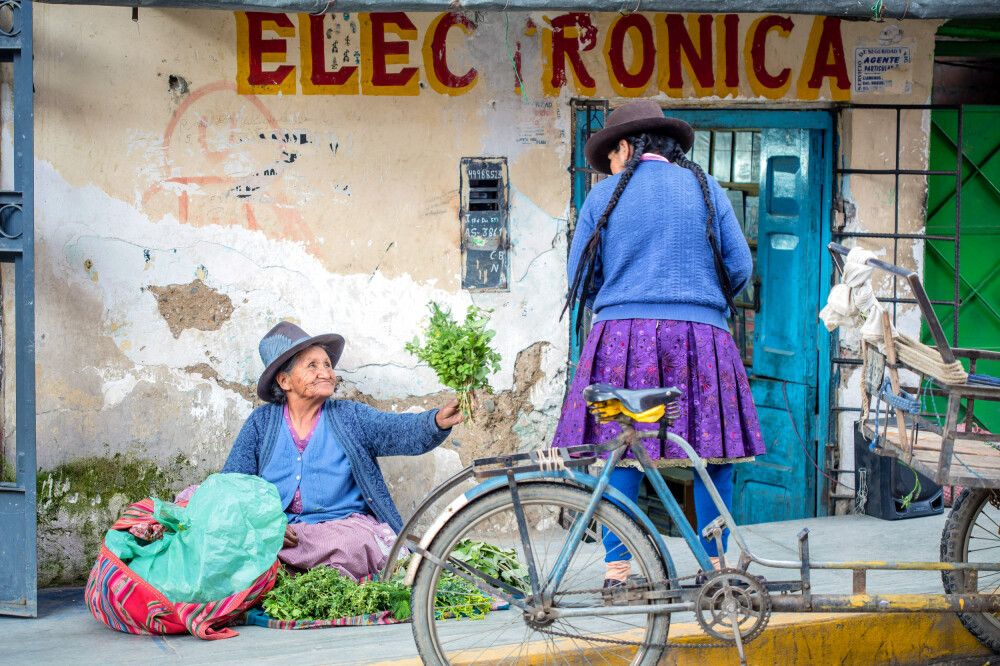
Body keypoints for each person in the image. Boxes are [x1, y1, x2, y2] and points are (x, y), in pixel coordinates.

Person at [552, 100, 766, 587]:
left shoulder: (602, 197)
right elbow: (739, 267)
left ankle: (618, 572)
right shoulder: (708, 189)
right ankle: (716, 568)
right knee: (714, 454)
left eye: (610, 154)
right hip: (703, 340)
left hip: (620, 340)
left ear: (625, 146)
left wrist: (624, 298)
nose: (609, 164)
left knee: (619, 451)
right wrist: (699, 300)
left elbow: (581, 280)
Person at [221, 321, 463, 581]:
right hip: (281, 533)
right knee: (232, 540)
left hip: (342, 528)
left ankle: (291, 576)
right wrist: (266, 525)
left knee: (350, 546)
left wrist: (435, 422)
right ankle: (287, 573)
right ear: (284, 380)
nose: (326, 372)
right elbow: (233, 485)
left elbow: (396, 430)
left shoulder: (349, 416)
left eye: (327, 365)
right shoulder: (262, 423)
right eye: (312, 366)